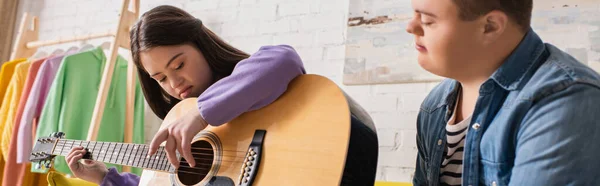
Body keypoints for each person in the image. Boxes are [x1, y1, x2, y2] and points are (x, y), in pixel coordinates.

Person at [65, 5, 379, 186]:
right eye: (160, 78)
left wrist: (199, 112)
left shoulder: (253, 81)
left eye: (179, 65)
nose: (174, 83)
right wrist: (106, 177)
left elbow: (283, 59)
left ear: (200, 43)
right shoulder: (176, 123)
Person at [406, 0, 600, 185]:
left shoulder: (564, 102)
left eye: (427, 21)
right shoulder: (434, 105)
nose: (410, 27)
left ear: (490, 26)